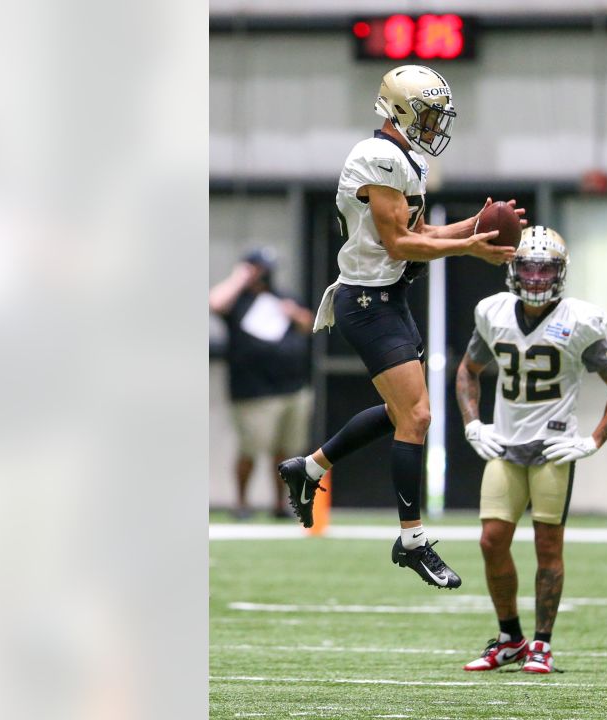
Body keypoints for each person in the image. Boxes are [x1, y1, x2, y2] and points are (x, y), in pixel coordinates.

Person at [276, 64, 519, 589]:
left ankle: (310, 468)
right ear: (402, 112)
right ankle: (411, 540)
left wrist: (473, 226)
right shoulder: (378, 157)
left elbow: (420, 231)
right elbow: (400, 245)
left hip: (389, 297)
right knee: (418, 417)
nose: (435, 127)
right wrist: (471, 247)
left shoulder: (402, 160)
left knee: (399, 413)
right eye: (429, 115)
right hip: (367, 302)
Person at [455, 226, 607, 673]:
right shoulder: (493, 313)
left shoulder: (579, 320)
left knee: (547, 547)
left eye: (545, 268)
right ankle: (510, 638)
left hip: (553, 447)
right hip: (505, 444)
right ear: (513, 269)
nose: (536, 277)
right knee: (491, 541)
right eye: (528, 267)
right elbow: (467, 371)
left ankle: (542, 644)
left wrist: (592, 441)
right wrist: (473, 424)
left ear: (561, 272)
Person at [210, 248, 315, 520]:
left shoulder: (283, 298)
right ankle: (241, 503)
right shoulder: (238, 302)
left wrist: (294, 314)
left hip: (292, 387)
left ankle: (281, 505)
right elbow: (215, 303)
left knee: (286, 453)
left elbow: (309, 324)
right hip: (254, 392)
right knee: (250, 450)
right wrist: (239, 277)